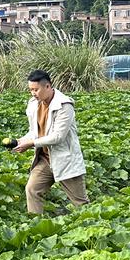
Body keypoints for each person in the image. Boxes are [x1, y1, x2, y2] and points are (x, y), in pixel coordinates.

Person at [13, 70, 89, 214]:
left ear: (47, 86)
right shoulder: (34, 104)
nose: (33, 93)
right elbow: (34, 131)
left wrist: (31, 144)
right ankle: (36, 226)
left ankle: (94, 229)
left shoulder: (64, 105)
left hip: (64, 159)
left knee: (80, 202)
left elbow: (58, 136)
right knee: (32, 189)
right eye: (30, 90)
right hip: (45, 159)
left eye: (36, 90)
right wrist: (20, 141)